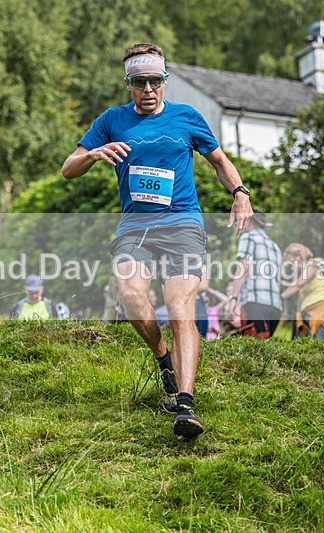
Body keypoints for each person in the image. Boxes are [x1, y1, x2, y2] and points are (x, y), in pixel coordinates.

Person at [61, 42, 253, 438]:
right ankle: (163, 357)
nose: (148, 89)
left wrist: (240, 193)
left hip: (183, 224)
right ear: (128, 83)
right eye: (139, 82)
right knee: (131, 295)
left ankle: (185, 402)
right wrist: (95, 153)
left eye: (155, 81)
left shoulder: (187, 118)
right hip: (135, 229)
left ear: (165, 81)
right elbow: (68, 168)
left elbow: (220, 161)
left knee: (179, 302)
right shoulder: (112, 120)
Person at [228, 211, 283, 339]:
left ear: (249, 221)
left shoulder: (249, 238)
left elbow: (243, 268)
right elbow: (279, 282)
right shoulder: (275, 247)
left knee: (254, 349)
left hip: (254, 303)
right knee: (265, 351)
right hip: (275, 306)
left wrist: (233, 298)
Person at [281, 243, 324, 339]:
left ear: (299, 256)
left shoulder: (314, 263)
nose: (291, 268)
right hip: (313, 316)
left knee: (321, 347)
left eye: (291, 264)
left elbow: (299, 284)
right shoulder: (310, 271)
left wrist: (280, 297)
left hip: (323, 314)